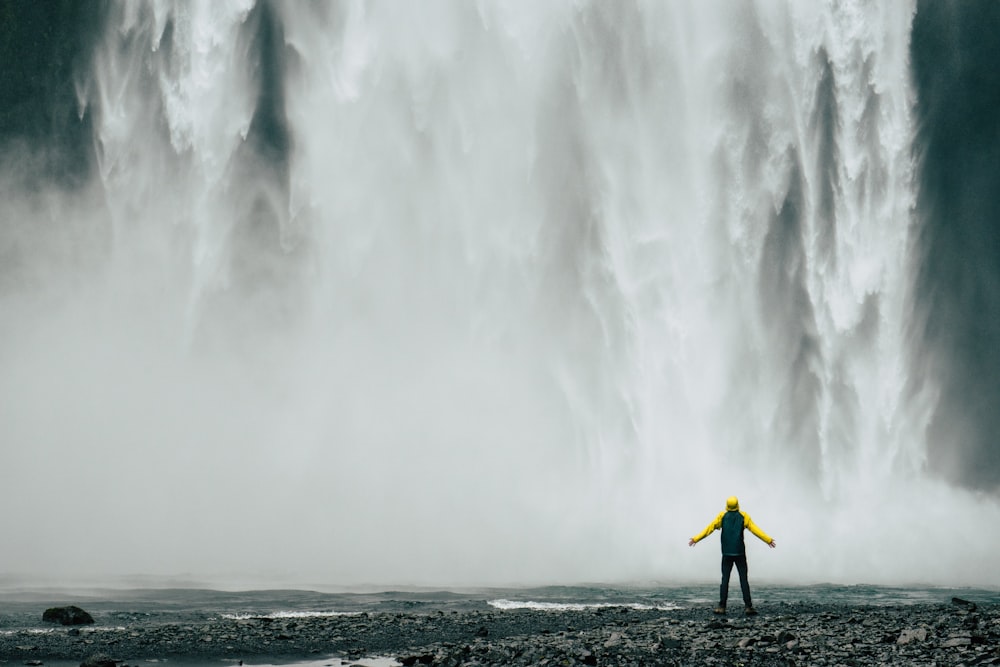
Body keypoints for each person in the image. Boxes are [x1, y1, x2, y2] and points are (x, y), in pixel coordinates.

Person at [688, 496, 776, 615]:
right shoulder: (744, 516)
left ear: (727, 505)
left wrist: (696, 539)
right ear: (737, 505)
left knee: (725, 580)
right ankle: (748, 607)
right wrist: (768, 540)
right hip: (740, 553)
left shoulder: (722, 516)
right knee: (743, 580)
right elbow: (755, 530)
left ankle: (722, 606)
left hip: (726, 553)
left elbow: (709, 528)